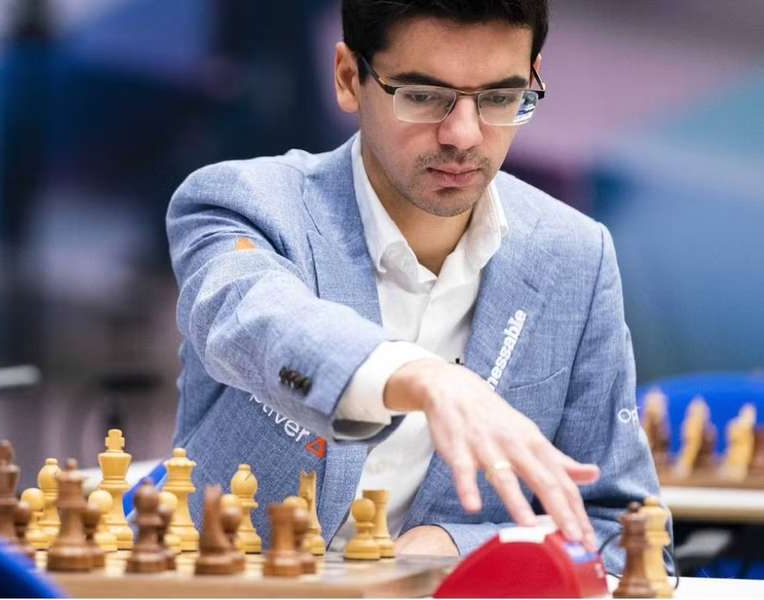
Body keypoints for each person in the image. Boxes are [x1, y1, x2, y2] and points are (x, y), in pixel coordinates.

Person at [165, 0, 660, 569]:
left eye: (500, 98)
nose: (463, 135)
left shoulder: (574, 255)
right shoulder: (244, 206)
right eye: (424, 96)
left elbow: (626, 537)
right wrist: (419, 377)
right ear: (350, 79)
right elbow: (257, 319)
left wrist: (461, 547)